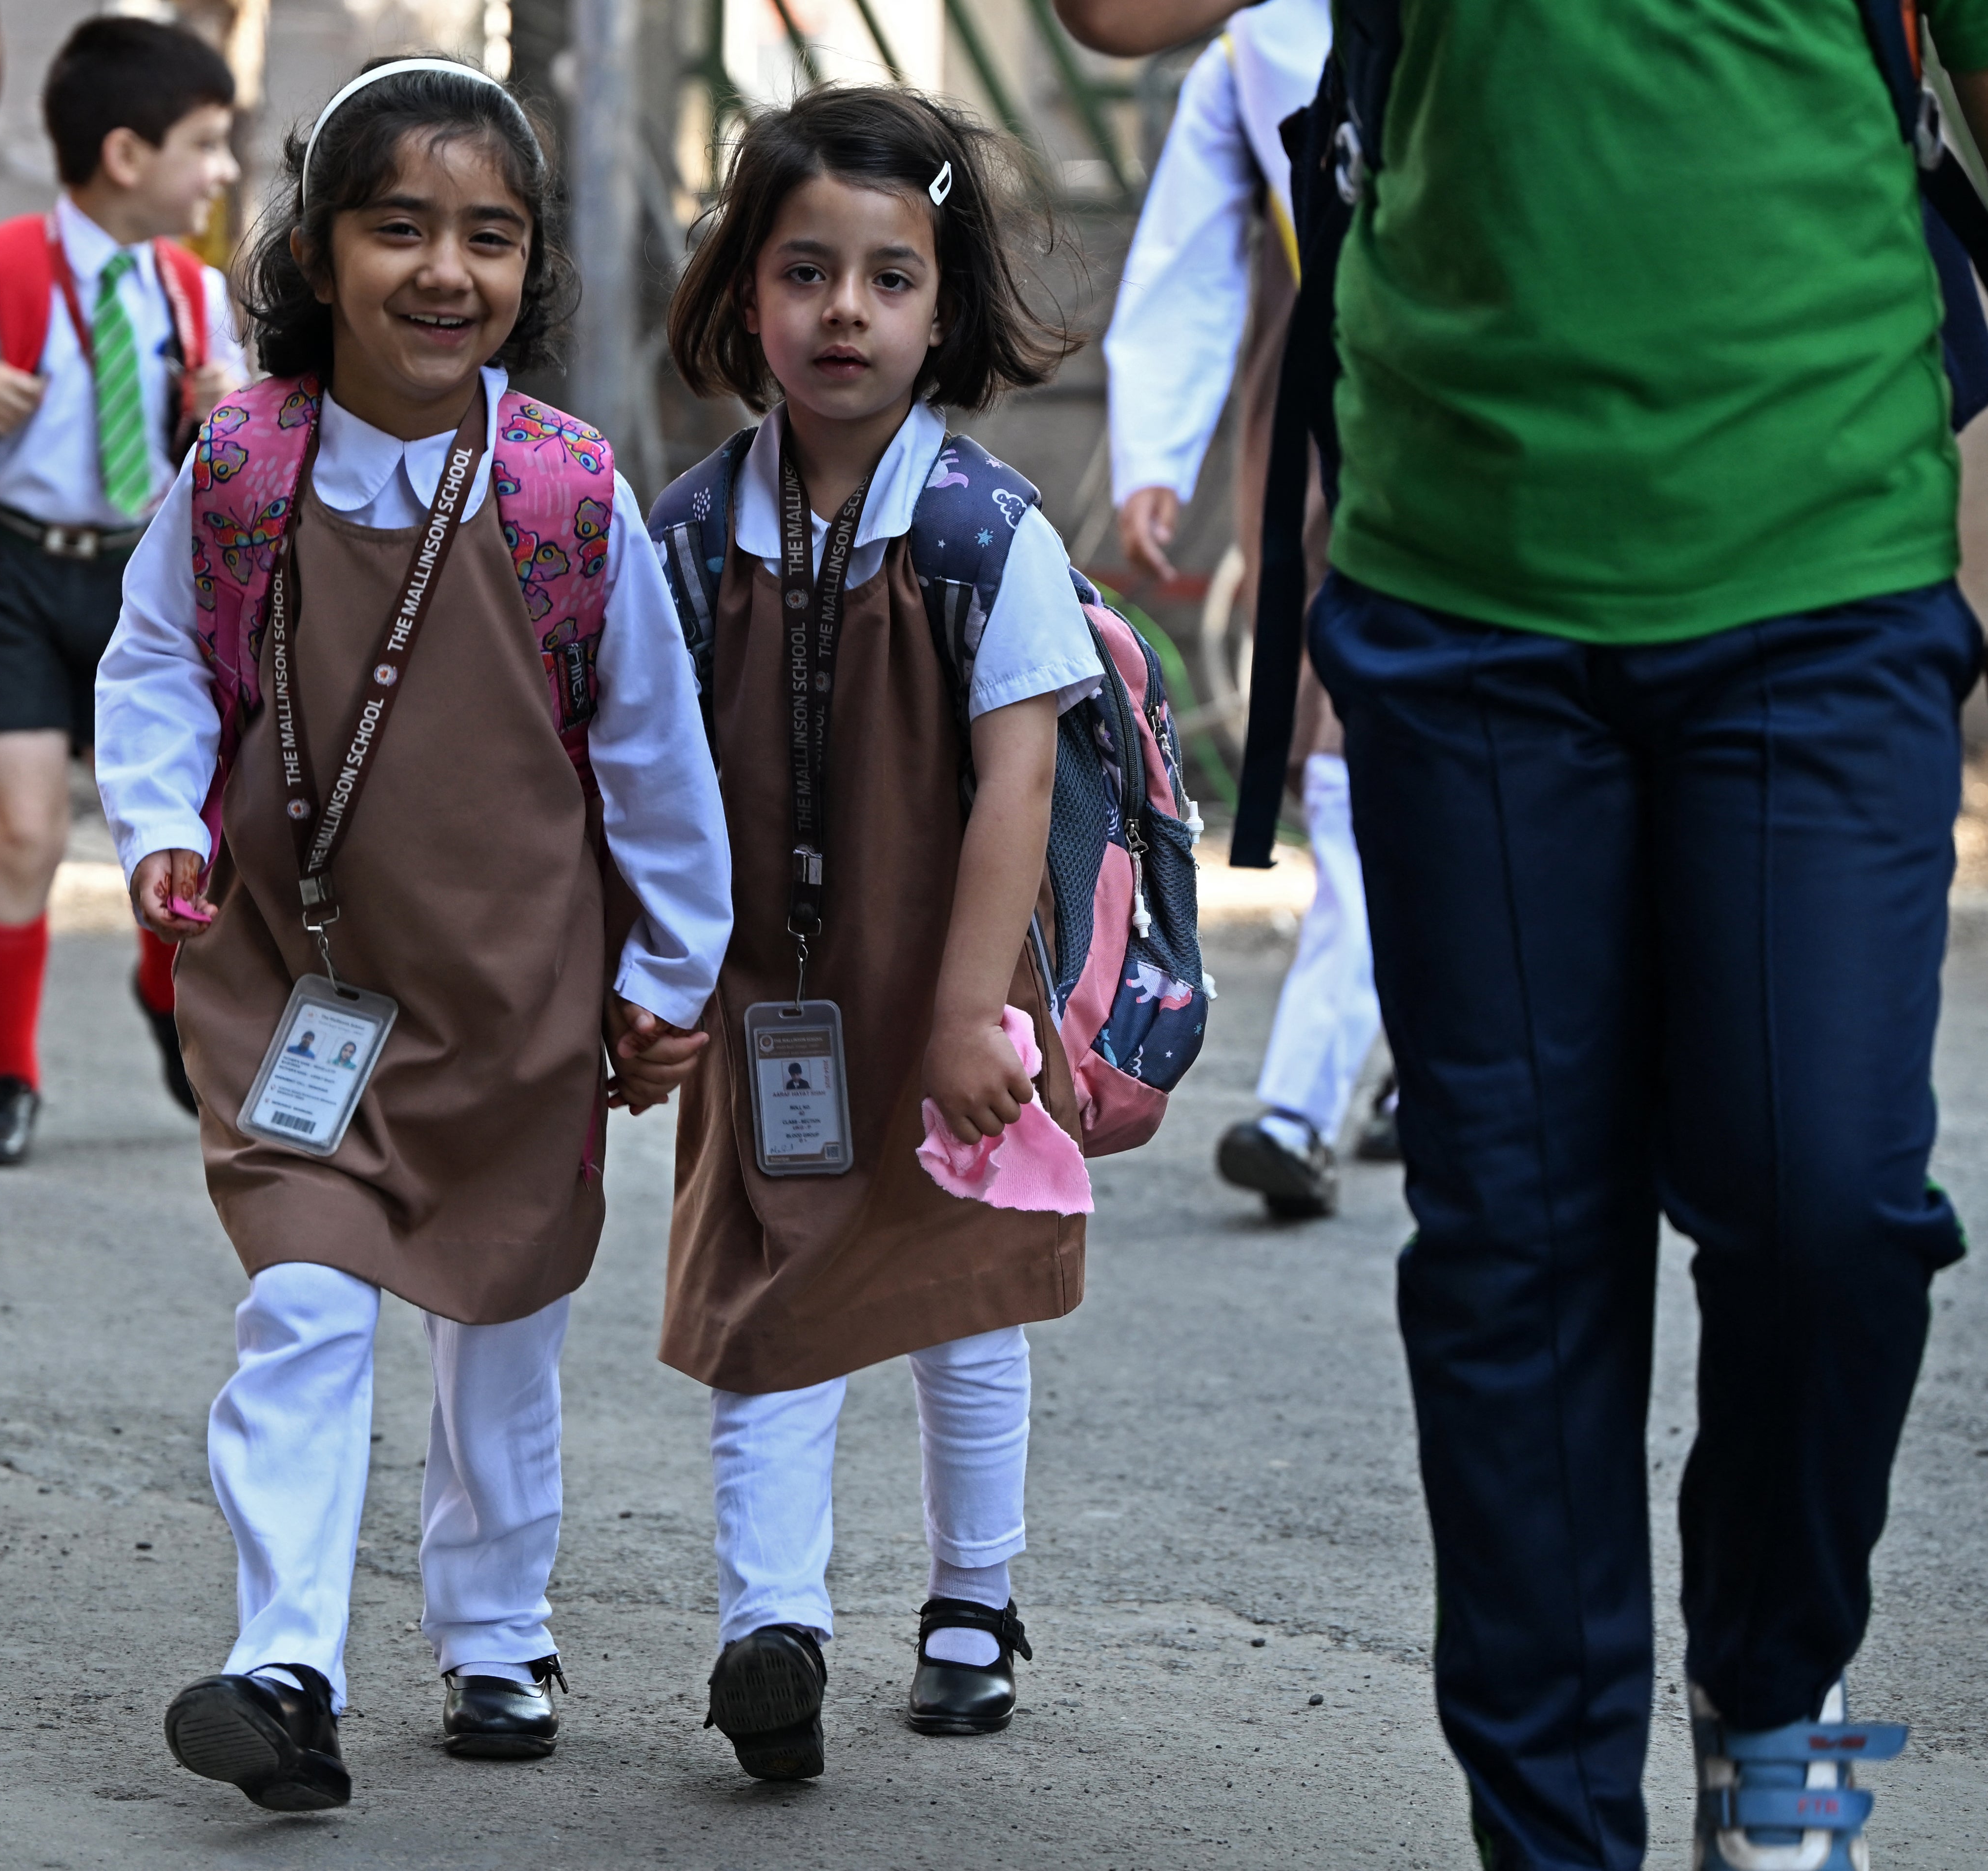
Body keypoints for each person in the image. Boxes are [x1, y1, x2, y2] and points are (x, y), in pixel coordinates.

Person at [1068, 3, 1988, 1864]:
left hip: (1821, 561)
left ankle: (1774, 1695)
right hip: (1464, 587)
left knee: (1826, 1204)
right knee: (1516, 1239)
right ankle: (1551, 1833)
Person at [100, 57, 732, 1810]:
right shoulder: (238, 467)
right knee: (302, 1301)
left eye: (488, 235)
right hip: (294, 982)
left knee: (497, 1321)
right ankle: (279, 1661)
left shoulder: (563, 495)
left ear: (529, 267)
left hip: (514, 991)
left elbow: (652, 755)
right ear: (315, 252)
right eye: (397, 229)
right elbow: (156, 655)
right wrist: (160, 822)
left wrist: (664, 973)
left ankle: (492, 1634)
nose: (443, 271)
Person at [652, 87, 1105, 1780]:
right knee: (769, 1290)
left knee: (956, 1291)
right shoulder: (692, 534)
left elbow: (1011, 781)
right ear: (740, 293)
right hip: (770, 1002)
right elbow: (642, 771)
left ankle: (970, 1602)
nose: (843, 312)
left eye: (889, 278)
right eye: (802, 271)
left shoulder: (986, 534)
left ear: (946, 304)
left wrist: (969, 1013)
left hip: (945, 1002)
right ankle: (769, 1626)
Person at [0, 16, 246, 1164]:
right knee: (20, 831)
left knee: (169, 839)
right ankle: (5, 1076)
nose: (222, 169)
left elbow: (230, 453)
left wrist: (226, 404)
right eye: (207, 144)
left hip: (143, 583)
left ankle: (165, 993)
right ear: (128, 156)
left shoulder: (195, 294)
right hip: (6, 567)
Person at [1101, 0, 1379, 1219]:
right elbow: (1191, 249)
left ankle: (1327, 1093)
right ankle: (1318, 1097)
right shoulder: (1260, 40)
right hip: (1357, 440)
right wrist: (1154, 448)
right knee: (1363, 767)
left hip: (1535, 440)